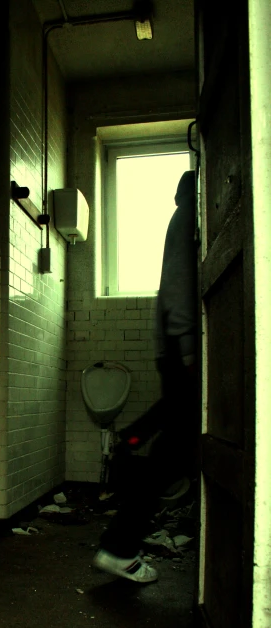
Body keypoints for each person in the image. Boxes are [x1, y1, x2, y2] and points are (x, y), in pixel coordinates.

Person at [93, 170, 198, 583]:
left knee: (170, 428)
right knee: (170, 456)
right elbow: (177, 284)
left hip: (171, 342)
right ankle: (119, 547)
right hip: (180, 343)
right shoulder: (188, 216)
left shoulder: (183, 217)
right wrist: (189, 345)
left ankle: (129, 439)